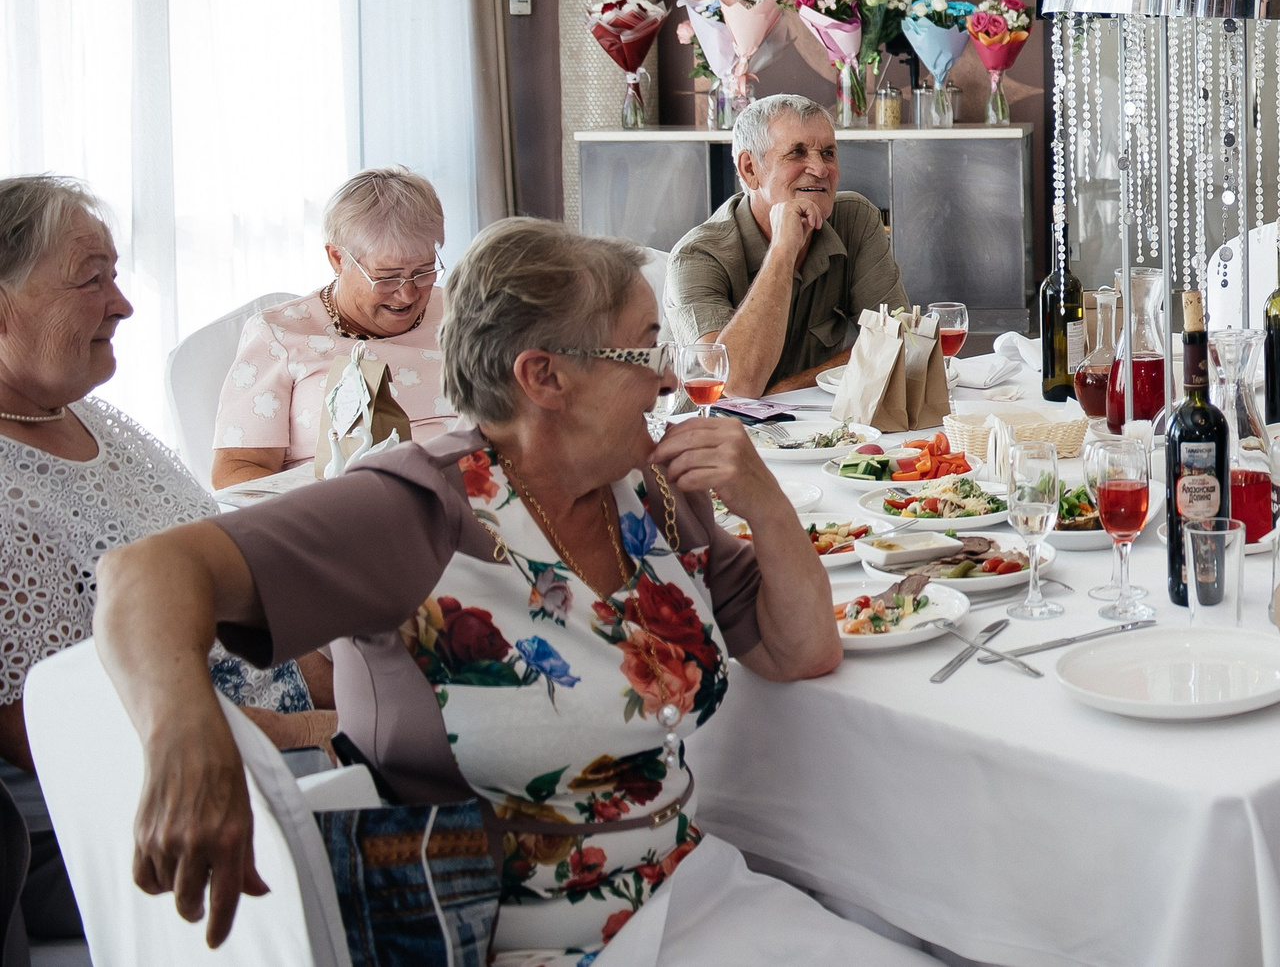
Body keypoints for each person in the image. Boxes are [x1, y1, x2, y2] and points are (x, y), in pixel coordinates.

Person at [93, 216, 927, 962]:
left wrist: (766, 502)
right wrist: (184, 735)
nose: (672, 378)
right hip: (503, 932)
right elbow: (144, 574)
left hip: (690, 887)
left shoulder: (651, 487)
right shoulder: (414, 508)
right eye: (646, 348)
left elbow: (801, 647)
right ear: (545, 376)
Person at [0, 175, 331, 949]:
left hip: (263, 726)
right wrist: (323, 725)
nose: (123, 304)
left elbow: (231, 571)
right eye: (93, 279)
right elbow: (67, 731)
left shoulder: (94, 419)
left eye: (118, 275)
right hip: (143, 797)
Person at [211, 166, 456, 488]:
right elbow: (236, 473)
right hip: (341, 513)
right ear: (338, 258)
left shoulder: (461, 314)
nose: (407, 292)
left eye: (423, 271)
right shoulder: (278, 337)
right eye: (386, 276)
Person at [667, 94, 907, 398]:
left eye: (829, 153)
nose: (821, 169)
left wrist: (792, 387)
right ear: (750, 170)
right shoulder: (696, 256)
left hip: (819, 428)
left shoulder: (855, 219)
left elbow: (897, 338)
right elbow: (738, 384)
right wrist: (782, 249)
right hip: (722, 432)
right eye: (797, 153)